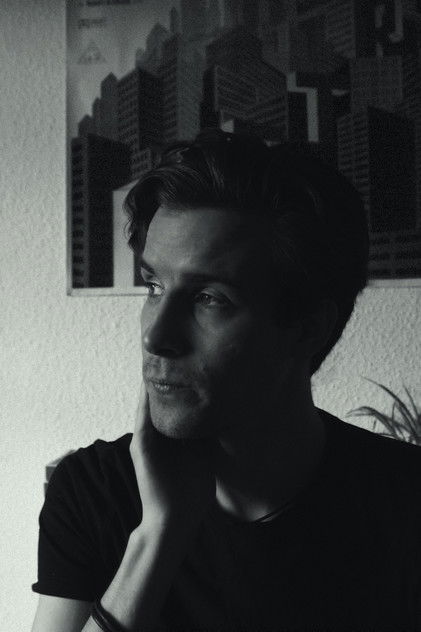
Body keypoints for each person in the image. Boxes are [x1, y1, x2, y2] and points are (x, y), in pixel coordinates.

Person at [31, 130, 421, 632]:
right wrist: (159, 536)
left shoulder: (405, 502)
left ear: (307, 329)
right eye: (153, 286)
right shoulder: (92, 492)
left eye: (209, 298)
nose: (155, 336)